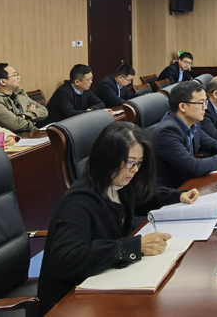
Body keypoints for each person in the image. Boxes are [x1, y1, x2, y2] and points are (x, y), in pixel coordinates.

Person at [37, 122, 201, 315]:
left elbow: (139, 200)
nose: (134, 170)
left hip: (103, 281)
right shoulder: (79, 202)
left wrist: (176, 196)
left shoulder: (118, 185)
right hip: (71, 302)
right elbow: (67, 260)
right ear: (108, 158)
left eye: (139, 163)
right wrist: (132, 247)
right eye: (130, 162)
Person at [150, 80, 217, 189]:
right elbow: (195, 167)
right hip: (171, 191)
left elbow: (211, 143)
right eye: (201, 103)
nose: (205, 107)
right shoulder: (167, 132)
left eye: (205, 102)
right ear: (183, 106)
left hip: (189, 184)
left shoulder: (193, 123)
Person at [0, 63, 48, 134]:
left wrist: (25, 116)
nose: (19, 77)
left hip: (32, 133)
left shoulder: (19, 93)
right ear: (3, 81)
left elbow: (44, 111)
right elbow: (16, 125)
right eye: (15, 75)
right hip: (13, 138)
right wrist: (33, 120)